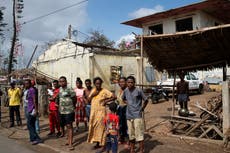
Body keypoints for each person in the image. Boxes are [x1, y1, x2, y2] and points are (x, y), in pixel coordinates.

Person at [87, 77, 116, 152]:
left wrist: (106, 101)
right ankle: (97, 143)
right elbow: (88, 100)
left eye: (99, 83)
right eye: (96, 83)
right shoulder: (93, 90)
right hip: (93, 113)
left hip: (101, 112)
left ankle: (102, 144)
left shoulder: (104, 90)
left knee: (101, 128)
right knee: (94, 127)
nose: (98, 85)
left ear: (101, 83)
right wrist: (93, 94)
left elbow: (114, 96)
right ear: (94, 84)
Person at [122, 76, 148, 153]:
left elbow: (146, 100)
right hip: (129, 116)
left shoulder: (138, 90)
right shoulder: (126, 90)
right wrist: (128, 104)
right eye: (128, 82)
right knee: (131, 134)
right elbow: (123, 98)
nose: (130, 84)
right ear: (126, 83)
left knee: (139, 134)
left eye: (132, 82)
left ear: (134, 83)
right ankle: (132, 150)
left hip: (137, 115)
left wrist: (142, 108)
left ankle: (141, 150)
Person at [56, 76, 76, 150]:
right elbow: (59, 98)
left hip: (69, 111)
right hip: (61, 111)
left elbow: (74, 98)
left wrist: (72, 106)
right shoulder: (60, 89)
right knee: (65, 126)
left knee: (69, 126)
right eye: (60, 81)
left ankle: (70, 143)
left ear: (66, 81)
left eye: (63, 81)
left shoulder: (70, 89)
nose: (61, 83)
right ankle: (68, 140)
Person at [25, 79, 42, 145]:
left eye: (27, 83)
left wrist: (36, 110)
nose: (26, 85)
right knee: (31, 125)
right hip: (29, 109)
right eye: (25, 83)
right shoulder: (29, 90)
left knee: (30, 125)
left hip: (32, 109)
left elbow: (35, 100)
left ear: (30, 84)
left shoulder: (32, 90)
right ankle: (35, 138)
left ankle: (34, 139)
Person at [117, 77, 128, 143]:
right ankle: (122, 137)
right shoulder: (119, 90)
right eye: (120, 82)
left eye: (123, 82)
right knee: (120, 123)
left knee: (126, 124)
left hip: (126, 109)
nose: (121, 83)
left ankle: (127, 138)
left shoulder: (127, 90)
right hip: (119, 109)